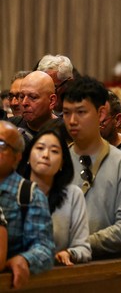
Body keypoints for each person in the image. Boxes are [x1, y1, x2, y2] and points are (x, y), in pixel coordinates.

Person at [64, 77, 121, 259]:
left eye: (80, 112)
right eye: (66, 113)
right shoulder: (57, 160)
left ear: (101, 113)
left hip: (107, 267)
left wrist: (82, 245)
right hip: (57, 264)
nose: (72, 121)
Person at [23, 125, 91, 265]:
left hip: (56, 273)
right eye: (40, 148)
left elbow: (83, 248)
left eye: (54, 151)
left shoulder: (72, 195)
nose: (46, 155)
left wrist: (69, 253)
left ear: (62, 163)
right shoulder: (12, 190)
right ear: (28, 156)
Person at [0, 121, 55, 287]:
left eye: (1, 144)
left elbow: (44, 248)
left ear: (17, 157)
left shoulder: (28, 194)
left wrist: (24, 259)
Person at [13, 71, 59, 145]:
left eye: (33, 97)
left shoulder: (65, 132)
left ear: (51, 101)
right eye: (21, 96)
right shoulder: (11, 127)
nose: (24, 103)